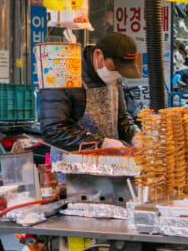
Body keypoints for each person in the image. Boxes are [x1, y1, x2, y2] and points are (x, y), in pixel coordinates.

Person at [40, 33, 141, 161]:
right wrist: (102, 143)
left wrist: (134, 135)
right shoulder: (62, 74)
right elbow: (53, 132)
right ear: (98, 54)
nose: (117, 74)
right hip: (71, 164)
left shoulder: (114, 77)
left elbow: (121, 117)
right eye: (114, 67)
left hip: (108, 162)